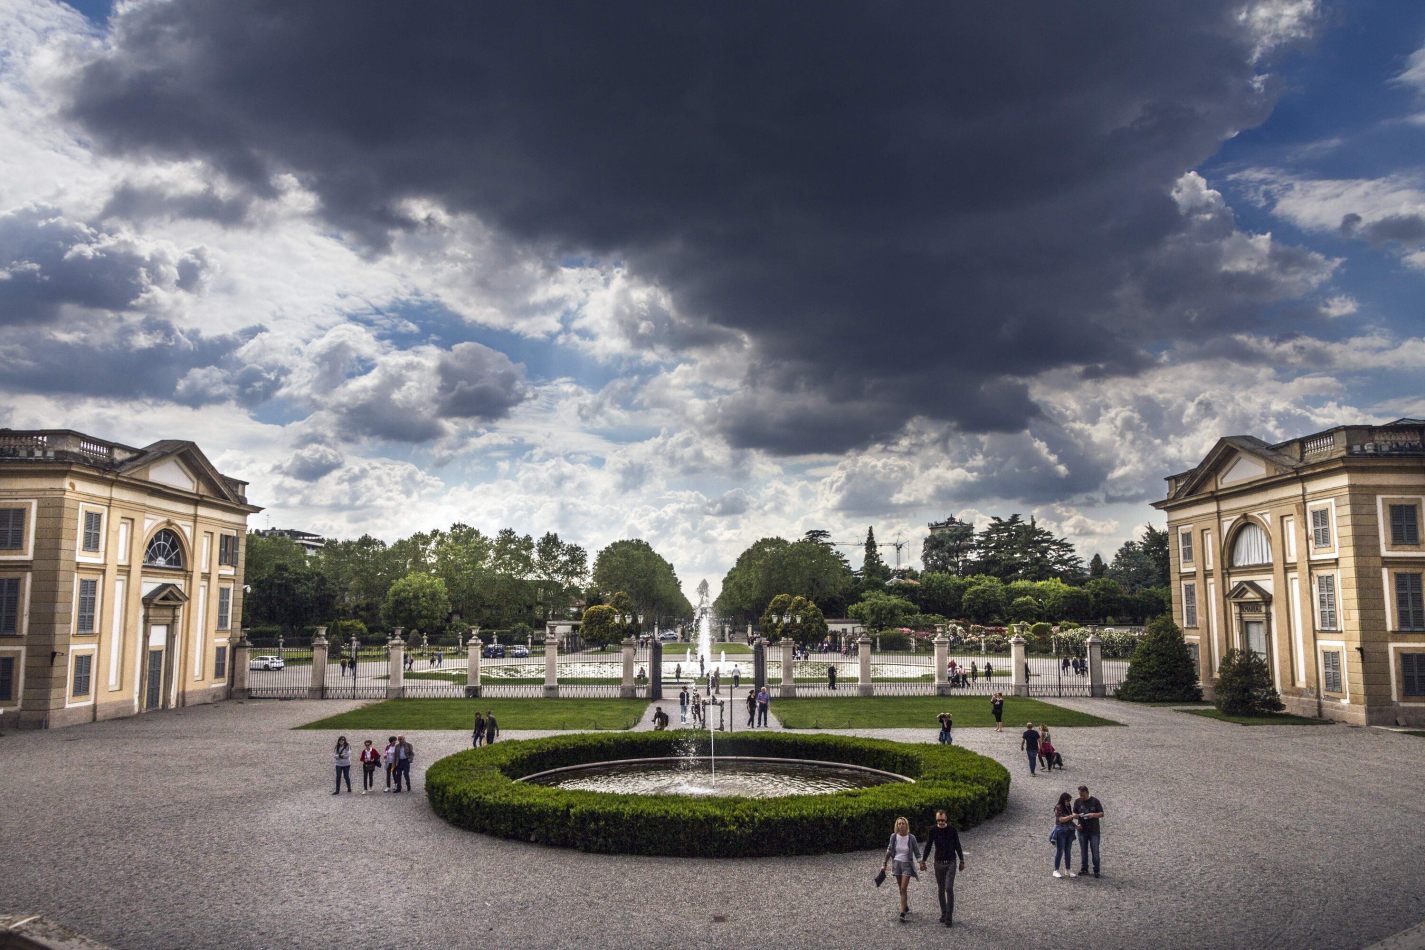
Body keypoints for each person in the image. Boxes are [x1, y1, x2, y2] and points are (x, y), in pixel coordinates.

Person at [919, 809, 965, 926]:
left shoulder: (952, 830)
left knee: (949, 888)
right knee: (941, 888)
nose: (940, 822)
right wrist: (923, 860)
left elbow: (957, 845)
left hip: (951, 862)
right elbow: (928, 846)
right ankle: (944, 913)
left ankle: (949, 916)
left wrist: (962, 860)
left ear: (946, 819)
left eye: (942, 820)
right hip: (938, 863)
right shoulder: (933, 830)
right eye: (938, 820)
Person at [881, 816, 921, 923]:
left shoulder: (911, 838)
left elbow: (917, 852)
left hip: (907, 864)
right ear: (896, 825)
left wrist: (921, 862)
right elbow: (889, 850)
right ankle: (905, 906)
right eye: (899, 824)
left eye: (903, 823)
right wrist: (884, 863)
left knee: (903, 887)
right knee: (900, 888)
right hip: (896, 864)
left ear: (906, 825)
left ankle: (902, 913)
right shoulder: (893, 837)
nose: (901, 825)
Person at [1074, 785, 1105, 878]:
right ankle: (1084, 868)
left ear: (1087, 792)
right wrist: (1077, 815)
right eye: (1080, 794)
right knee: (1083, 850)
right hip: (1082, 830)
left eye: (1082, 795)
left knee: (1095, 851)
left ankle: (1096, 870)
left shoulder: (1095, 801)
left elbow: (1101, 813)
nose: (1081, 797)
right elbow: (1074, 813)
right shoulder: (1077, 802)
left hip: (1094, 830)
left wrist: (1093, 815)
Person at [1052, 792, 1077, 878]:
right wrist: (1070, 816)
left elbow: (1069, 820)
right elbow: (1061, 819)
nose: (1068, 802)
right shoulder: (1058, 807)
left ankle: (1067, 869)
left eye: (1069, 801)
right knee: (1060, 850)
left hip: (1069, 831)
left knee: (1068, 851)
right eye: (1067, 800)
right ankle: (1056, 870)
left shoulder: (1068, 806)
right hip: (1061, 831)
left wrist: (1076, 826)